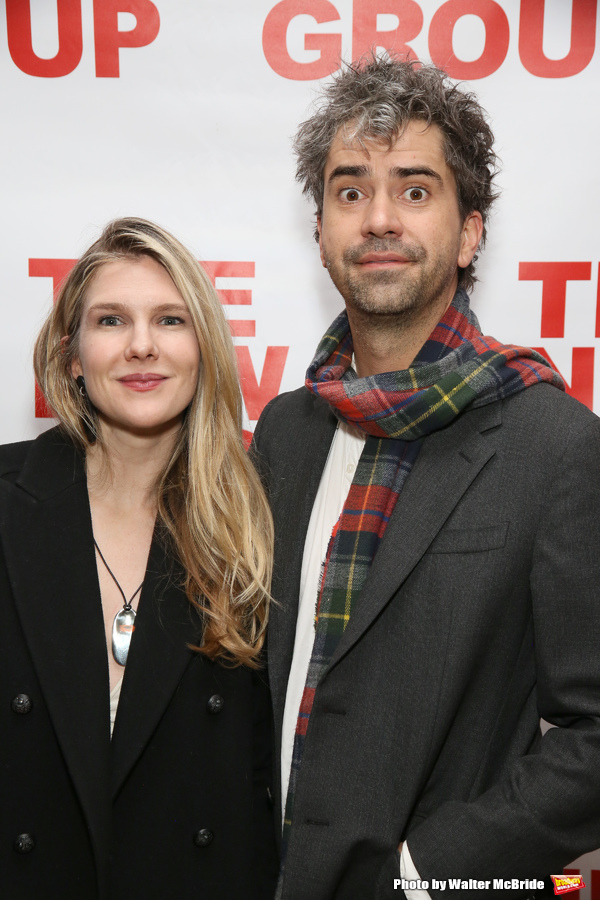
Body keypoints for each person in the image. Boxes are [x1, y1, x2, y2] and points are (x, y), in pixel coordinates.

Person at [252, 57, 600, 899]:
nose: (377, 219)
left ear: (470, 230)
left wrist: (425, 872)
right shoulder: (286, 431)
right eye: (349, 191)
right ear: (320, 231)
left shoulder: (553, 443)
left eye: (414, 190)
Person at [0, 217, 278, 899]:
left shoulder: (254, 519)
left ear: (204, 347)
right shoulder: (7, 501)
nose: (142, 346)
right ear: (72, 353)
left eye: (171, 320)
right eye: (112, 320)